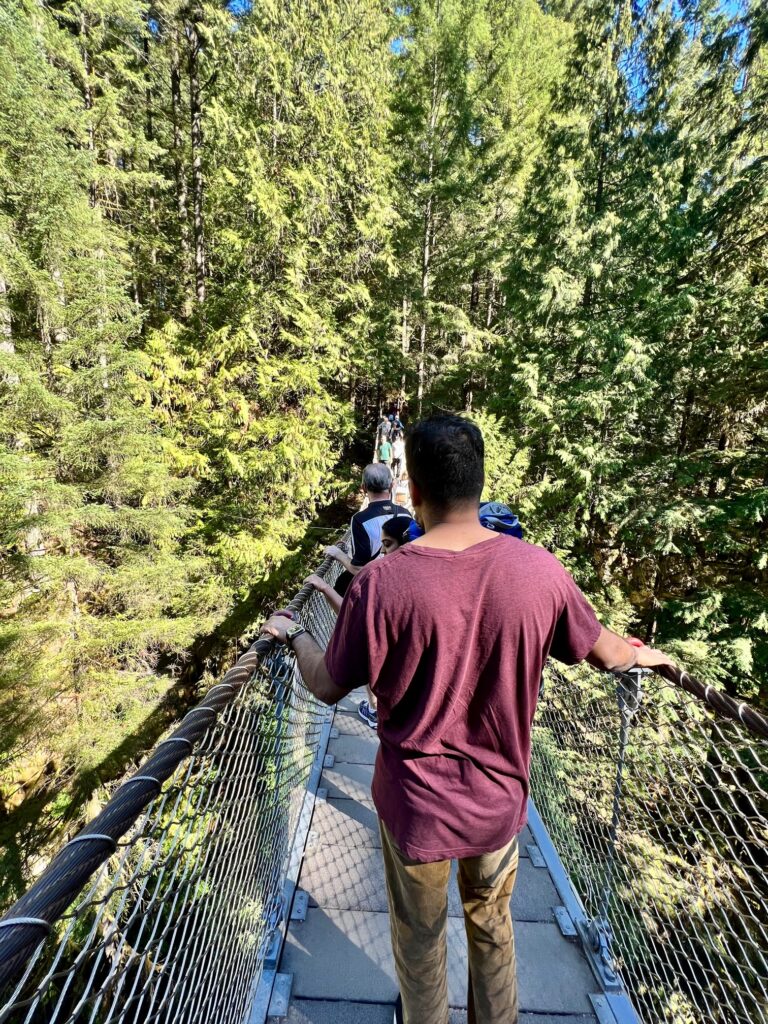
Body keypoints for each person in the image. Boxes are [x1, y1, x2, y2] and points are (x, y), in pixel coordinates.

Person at [261, 414, 674, 1024]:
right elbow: (608, 654)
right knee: (493, 929)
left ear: (416, 495)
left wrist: (294, 636)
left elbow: (325, 686)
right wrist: (644, 654)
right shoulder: (539, 570)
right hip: (499, 803)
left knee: (420, 941)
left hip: (414, 807)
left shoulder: (380, 584)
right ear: (481, 485)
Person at [304, 515, 412, 728]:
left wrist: (324, 588)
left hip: (393, 687)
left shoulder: (383, 579)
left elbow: (327, 688)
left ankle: (374, 711)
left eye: (387, 544)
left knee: (370, 655)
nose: (382, 552)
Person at [323, 463, 410, 599]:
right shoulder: (406, 514)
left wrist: (338, 554)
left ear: (363, 488)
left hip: (379, 587)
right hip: (404, 582)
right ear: (392, 485)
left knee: (341, 584)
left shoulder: (360, 520)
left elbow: (359, 569)